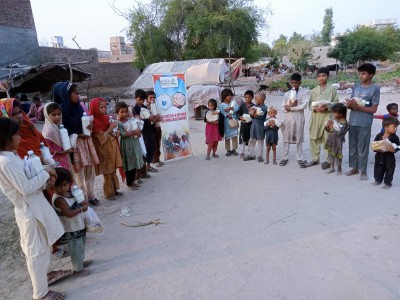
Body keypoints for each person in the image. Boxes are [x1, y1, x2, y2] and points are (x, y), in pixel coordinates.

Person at [0, 118, 65, 300]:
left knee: (44, 245)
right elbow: (26, 188)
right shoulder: (5, 162)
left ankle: (46, 276)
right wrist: (45, 173)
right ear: (6, 138)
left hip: (36, 205)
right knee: (36, 251)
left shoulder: (12, 157)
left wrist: (45, 177)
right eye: (16, 134)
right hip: (28, 211)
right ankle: (41, 294)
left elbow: (30, 178)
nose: (20, 137)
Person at [53, 82, 100, 206]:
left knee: (90, 171)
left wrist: (90, 125)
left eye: (78, 93)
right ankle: (82, 198)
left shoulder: (79, 108)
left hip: (86, 143)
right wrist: (78, 135)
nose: (78, 96)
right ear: (66, 95)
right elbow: (62, 132)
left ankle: (91, 195)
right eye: (75, 93)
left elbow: (85, 123)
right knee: (78, 174)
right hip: (75, 146)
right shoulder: (61, 112)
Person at [52, 168, 91, 276]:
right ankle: (77, 269)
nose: (66, 187)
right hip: (71, 229)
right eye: (63, 185)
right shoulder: (59, 199)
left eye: (67, 184)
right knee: (75, 249)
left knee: (81, 245)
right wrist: (81, 209)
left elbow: (80, 201)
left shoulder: (69, 193)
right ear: (54, 186)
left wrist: (84, 202)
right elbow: (69, 213)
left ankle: (80, 262)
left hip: (78, 225)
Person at [345, 63, 380, 180]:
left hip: (365, 122)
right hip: (353, 120)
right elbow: (351, 105)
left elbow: (373, 109)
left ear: (371, 75)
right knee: (352, 146)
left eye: (363, 73)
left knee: (363, 147)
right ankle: (354, 168)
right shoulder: (356, 87)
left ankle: (363, 170)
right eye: (360, 73)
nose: (361, 76)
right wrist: (349, 105)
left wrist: (358, 107)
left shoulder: (375, 89)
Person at [89, 98, 123, 199]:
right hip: (103, 149)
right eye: (101, 107)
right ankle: (109, 193)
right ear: (95, 108)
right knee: (107, 170)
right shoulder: (93, 121)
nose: (104, 109)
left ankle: (115, 189)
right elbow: (100, 138)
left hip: (111, 147)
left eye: (105, 107)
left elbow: (111, 130)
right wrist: (110, 128)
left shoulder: (105, 118)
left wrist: (115, 131)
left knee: (112, 169)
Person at [308, 67, 339, 169]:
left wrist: (327, 107)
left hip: (327, 118)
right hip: (316, 118)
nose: (321, 78)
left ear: (328, 76)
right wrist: (315, 109)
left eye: (323, 76)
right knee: (314, 138)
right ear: (317, 78)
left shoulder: (332, 90)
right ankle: (315, 159)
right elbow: (309, 105)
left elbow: (337, 103)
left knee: (327, 139)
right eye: (319, 76)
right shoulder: (313, 91)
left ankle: (328, 161)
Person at [279, 73, 310, 168]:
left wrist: (292, 107)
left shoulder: (304, 92)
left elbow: (304, 105)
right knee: (286, 137)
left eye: (296, 83)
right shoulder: (287, 94)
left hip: (299, 117)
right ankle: (284, 157)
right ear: (290, 83)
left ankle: (300, 158)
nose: (294, 85)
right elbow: (283, 108)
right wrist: (288, 107)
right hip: (288, 117)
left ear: (300, 83)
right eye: (292, 83)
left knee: (299, 137)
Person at [116, 101, 144, 188]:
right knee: (129, 163)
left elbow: (137, 130)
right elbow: (122, 134)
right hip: (126, 145)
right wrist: (132, 132)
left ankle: (133, 180)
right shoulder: (118, 123)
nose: (124, 114)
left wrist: (138, 132)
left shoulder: (131, 120)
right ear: (117, 113)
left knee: (134, 161)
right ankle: (129, 182)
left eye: (126, 111)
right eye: (122, 112)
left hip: (134, 143)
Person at [42, 102, 74, 170]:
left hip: (64, 158)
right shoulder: (49, 130)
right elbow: (47, 150)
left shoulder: (57, 127)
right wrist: (63, 152)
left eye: (59, 114)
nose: (57, 117)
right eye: (53, 115)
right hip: (57, 162)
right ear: (47, 115)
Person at [133, 89, 157, 174]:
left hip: (148, 130)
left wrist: (151, 117)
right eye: (140, 99)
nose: (141, 101)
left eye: (143, 100)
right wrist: (139, 118)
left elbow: (152, 119)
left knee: (150, 147)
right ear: (135, 98)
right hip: (141, 133)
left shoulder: (145, 107)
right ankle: (142, 171)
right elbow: (135, 120)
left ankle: (148, 165)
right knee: (143, 150)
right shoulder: (135, 108)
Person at [372, 117, 400, 189]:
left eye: (396, 127)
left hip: (389, 157)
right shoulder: (379, 135)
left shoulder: (394, 137)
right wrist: (377, 148)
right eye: (394, 127)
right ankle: (378, 180)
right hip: (379, 156)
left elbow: (398, 146)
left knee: (389, 170)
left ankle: (388, 183)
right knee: (378, 169)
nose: (395, 129)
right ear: (386, 127)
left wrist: (393, 150)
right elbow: (374, 144)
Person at [324, 103, 349, 175]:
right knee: (330, 153)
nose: (333, 114)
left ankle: (339, 168)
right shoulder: (333, 120)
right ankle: (332, 167)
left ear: (341, 114)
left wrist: (333, 127)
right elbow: (327, 130)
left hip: (338, 141)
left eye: (335, 113)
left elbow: (340, 132)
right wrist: (328, 126)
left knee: (338, 154)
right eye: (333, 112)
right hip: (330, 140)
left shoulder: (344, 122)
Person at [243, 92, 267, 162]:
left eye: (256, 99)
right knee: (251, 141)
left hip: (260, 127)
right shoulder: (254, 106)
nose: (255, 100)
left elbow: (259, 116)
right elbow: (250, 113)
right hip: (253, 127)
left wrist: (253, 113)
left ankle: (260, 156)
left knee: (260, 141)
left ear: (261, 100)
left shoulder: (264, 107)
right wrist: (252, 113)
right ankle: (251, 154)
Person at [219, 88, 239, 156]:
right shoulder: (222, 105)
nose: (230, 97)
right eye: (228, 95)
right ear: (224, 96)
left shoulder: (233, 102)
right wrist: (227, 115)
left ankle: (234, 149)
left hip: (233, 120)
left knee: (234, 136)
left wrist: (231, 109)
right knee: (227, 137)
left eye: (231, 95)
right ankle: (228, 149)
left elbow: (237, 108)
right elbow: (222, 112)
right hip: (226, 123)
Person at [147, 90, 164, 167]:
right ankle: (154, 160)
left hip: (157, 127)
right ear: (147, 99)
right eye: (150, 98)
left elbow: (159, 117)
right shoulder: (145, 108)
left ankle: (158, 159)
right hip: (150, 129)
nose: (152, 99)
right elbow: (150, 119)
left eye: (154, 98)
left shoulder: (156, 106)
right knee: (153, 144)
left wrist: (156, 118)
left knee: (158, 143)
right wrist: (154, 118)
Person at [236, 90, 255, 158]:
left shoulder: (254, 106)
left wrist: (252, 116)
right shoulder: (242, 105)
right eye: (246, 97)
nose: (247, 99)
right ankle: (241, 152)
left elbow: (256, 115)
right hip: (243, 125)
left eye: (249, 97)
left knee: (251, 139)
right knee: (242, 139)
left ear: (252, 97)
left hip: (251, 126)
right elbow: (238, 113)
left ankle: (250, 153)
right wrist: (240, 117)